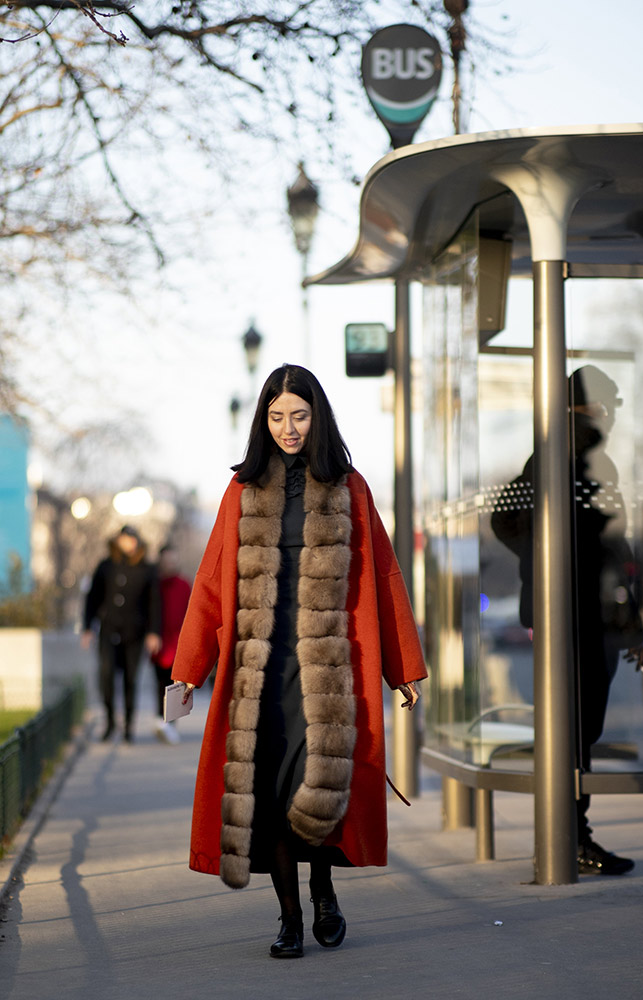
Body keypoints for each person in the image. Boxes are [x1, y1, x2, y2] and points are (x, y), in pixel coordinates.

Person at [172, 364, 427, 959]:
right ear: (264, 420)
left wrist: (404, 668)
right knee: (271, 789)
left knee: (322, 785)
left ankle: (323, 888)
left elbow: (383, 577)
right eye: (277, 416)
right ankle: (288, 916)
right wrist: (188, 669)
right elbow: (210, 583)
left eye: (300, 415)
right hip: (260, 671)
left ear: (318, 418)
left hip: (331, 669)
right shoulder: (242, 490)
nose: (289, 428)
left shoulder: (349, 486)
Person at [491, 365, 643, 875]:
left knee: (579, 727)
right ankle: (568, 839)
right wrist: (548, 567)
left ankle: (571, 836)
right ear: (588, 408)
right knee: (574, 729)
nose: (614, 414)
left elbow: (610, 544)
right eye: (608, 405)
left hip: (586, 612)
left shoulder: (577, 456)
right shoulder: (563, 456)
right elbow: (507, 518)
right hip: (575, 614)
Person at [82, 524, 161, 742]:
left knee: (130, 679)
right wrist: (87, 627)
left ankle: (128, 725)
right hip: (108, 631)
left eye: (132, 539)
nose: (128, 543)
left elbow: (154, 603)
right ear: (118, 540)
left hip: (134, 633)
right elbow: (92, 598)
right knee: (106, 676)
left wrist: (154, 632)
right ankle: (109, 722)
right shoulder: (106, 566)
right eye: (124, 539)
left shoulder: (147, 568)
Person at [151, 543, 192, 745]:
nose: (170, 564)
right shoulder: (155, 585)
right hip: (159, 643)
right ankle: (161, 720)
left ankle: (171, 724)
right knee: (160, 683)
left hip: (178, 643)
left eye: (173, 560)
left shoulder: (184, 585)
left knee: (177, 686)